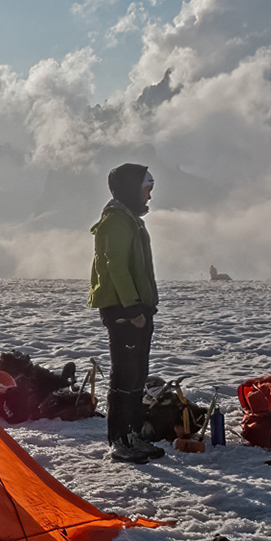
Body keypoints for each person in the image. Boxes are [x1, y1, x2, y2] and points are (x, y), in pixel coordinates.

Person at [89, 162, 162, 463]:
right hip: (124, 309)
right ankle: (120, 439)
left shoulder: (130, 219)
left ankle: (132, 434)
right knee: (125, 375)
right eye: (146, 190)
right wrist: (132, 307)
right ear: (132, 189)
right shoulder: (117, 221)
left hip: (136, 308)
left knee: (137, 375)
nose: (149, 196)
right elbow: (115, 266)